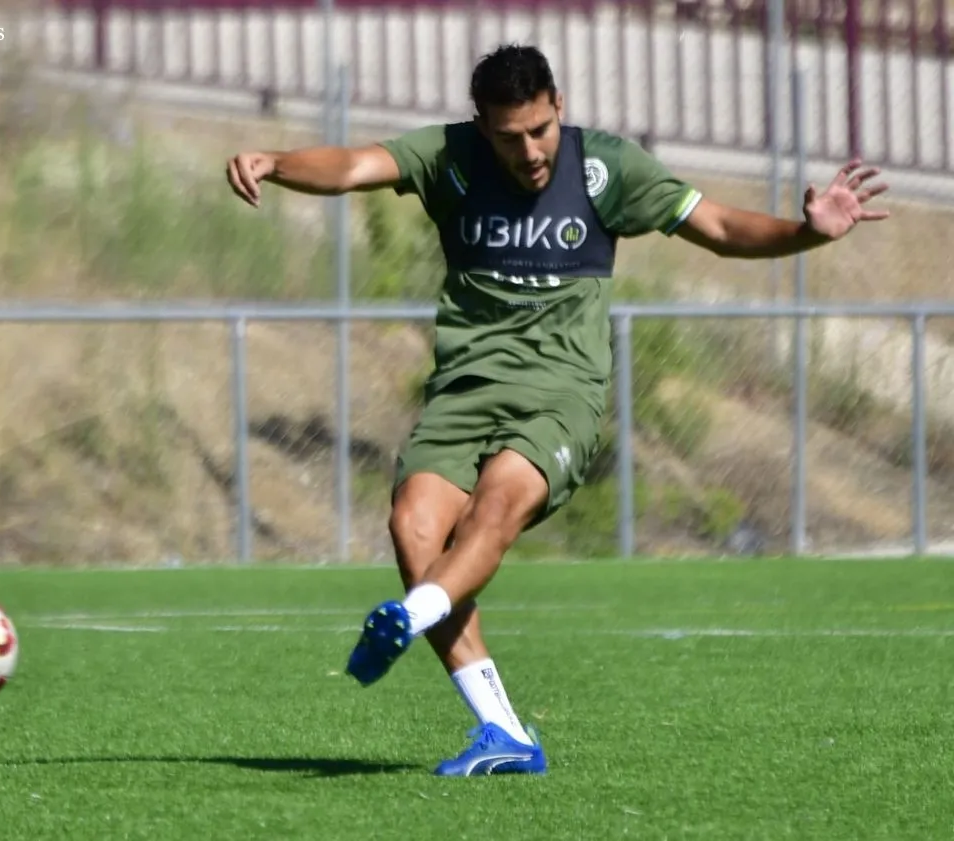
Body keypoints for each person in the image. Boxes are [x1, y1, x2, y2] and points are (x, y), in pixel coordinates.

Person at [225, 43, 888, 776]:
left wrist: (807, 231)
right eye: (510, 137)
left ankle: (409, 616)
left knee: (494, 508)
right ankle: (502, 730)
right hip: (464, 391)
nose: (531, 151)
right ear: (484, 127)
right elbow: (353, 166)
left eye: (540, 130)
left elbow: (723, 229)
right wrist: (274, 161)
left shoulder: (607, 168)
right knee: (412, 524)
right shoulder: (450, 157)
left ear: (559, 108)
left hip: (559, 395)